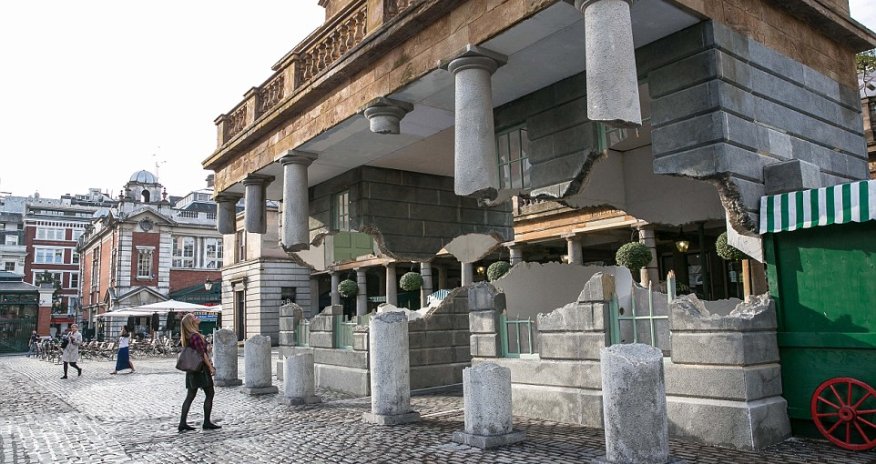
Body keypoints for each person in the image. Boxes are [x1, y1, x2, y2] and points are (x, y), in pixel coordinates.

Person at [178, 313, 220, 432]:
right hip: (201, 370)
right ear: (191, 322)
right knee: (210, 393)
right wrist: (210, 367)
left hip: (192, 370)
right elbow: (202, 354)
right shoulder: (195, 336)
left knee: (190, 396)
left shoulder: (189, 336)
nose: (197, 317)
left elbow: (201, 351)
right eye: (194, 317)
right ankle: (206, 422)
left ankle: (182, 423)